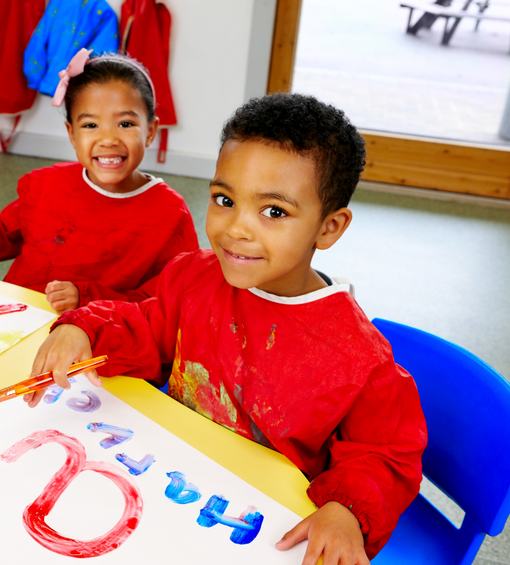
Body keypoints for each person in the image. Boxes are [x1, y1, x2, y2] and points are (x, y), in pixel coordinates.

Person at [25, 94, 427, 564]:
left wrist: (345, 510)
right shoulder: (192, 276)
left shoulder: (361, 361)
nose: (236, 228)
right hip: (162, 484)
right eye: (224, 199)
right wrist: (86, 329)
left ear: (329, 227)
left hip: (251, 528)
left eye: (273, 211)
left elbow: (383, 456)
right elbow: (147, 326)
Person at [0, 50, 198, 313]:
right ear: (72, 133)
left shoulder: (170, 215)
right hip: (17, 318)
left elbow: (167, 300)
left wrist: (88, 298)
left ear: (151, 131)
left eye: (125, 124)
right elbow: (2, 234)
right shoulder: (47, 185)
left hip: (96, 342)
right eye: (90, 125)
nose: (108, 139)